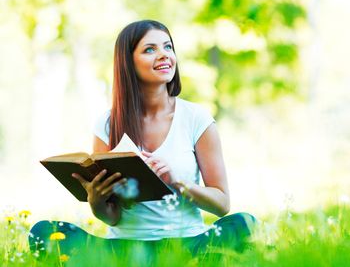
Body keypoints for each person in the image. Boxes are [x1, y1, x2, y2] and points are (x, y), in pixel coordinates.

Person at [29, 20, 256, 262]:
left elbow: (222, 205)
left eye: (168, 47)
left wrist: (178, 183)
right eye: (150, 49)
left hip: (188, 243)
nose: (164, 55)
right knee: (42, 232)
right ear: (128, 63)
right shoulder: (107, 123)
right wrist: (97, 202)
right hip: (124, 248)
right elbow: (112, 217)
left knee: (244, 223)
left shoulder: (196, 119)